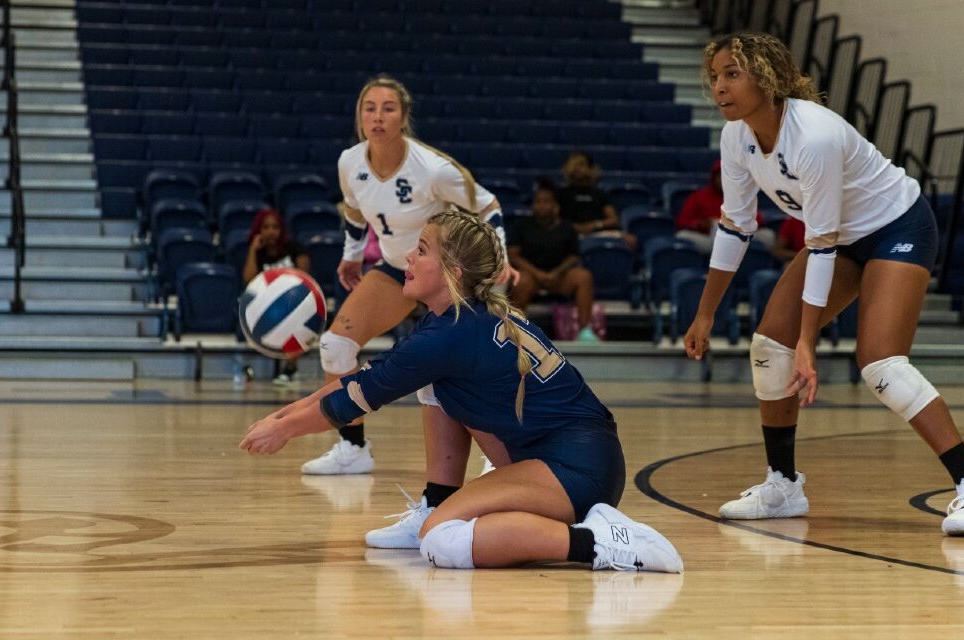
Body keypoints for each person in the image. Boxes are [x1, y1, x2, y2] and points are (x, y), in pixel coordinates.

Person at [685, 32, 964, 535]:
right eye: (715, 77)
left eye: (733, 74)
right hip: (839, 241)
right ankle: (783, 485)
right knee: (770, 348)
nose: (720, 87)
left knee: (882, 364)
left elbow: (820, 244)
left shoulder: (812, 134)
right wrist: (706, 312)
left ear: (766, 78)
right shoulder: (738, 138)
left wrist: (809, 342)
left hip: (896, 226)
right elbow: (735, 226)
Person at [240, 210, 683, 573]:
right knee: (434, 386)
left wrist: (284, 431)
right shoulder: (455, 318)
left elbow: (354, 398)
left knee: (443, 543)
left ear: (451, 272)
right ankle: (440, 500)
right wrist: (282, 417)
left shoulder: (448, 334)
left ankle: (605, 543)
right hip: (573, 458)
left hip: (573, 471)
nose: (407, 259)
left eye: (421, 251)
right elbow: (358, 382)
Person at [304, 75, 519, 548]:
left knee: (451, 369)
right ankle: (352, 448)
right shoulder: (349, 163)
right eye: (369, 109)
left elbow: (489, 206)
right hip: (396, 268)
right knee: (335, 344)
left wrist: (499, 259)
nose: (378, 117)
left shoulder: (432, 168)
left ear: (404, 117)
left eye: (388, 109)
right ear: (359, 117)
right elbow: (356, 214)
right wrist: (351, 254)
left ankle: (496, 455)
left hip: (444, 274)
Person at [508, 181, 599, 342]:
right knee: (521, 280)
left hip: (559, 277)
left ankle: (585, 331)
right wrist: (538, 274)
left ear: (555, 205)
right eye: (538, 202)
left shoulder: (566, 227)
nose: (541, 206)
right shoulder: (521, 225)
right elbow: (513, 255)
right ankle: (517, 332)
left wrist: (555, 273)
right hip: (532, 276)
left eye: (546, 202)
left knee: (584, 276)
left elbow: (573, 256)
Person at [241, 207, 310, 386]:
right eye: (266, 227)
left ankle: (289, 368)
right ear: (259, 230)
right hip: (265, 304)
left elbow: (305, 276)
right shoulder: (259, 253)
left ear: (281, 230)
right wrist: (253, 250)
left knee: (298, 319)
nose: (271, 231)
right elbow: (249, 280)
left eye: (275, 227)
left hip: (293, 300)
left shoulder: (294, 247)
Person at [675, 159, 774, 254]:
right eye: (721, 176)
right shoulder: (698, 197)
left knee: (768, 235)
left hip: (740, 237)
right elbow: (682, 222)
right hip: (709, 238)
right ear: (714, 178)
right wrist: (699, 224)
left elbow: (758, 220)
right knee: (682, 235)